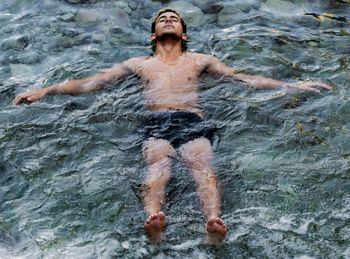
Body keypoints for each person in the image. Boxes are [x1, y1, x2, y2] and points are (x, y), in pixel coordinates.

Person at [14, 8, 332, 242]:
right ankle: (154, 221)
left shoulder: (200, 60)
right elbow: (94, 82)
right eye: (162, 18)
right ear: (153, 35)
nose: (168, 18)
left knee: (202, 165)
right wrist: (47, 90)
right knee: (158, 167)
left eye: (174, 18)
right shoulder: (139, 64)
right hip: (155, 123)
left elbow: (242, 79)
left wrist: (291, 86)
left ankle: (212, 221)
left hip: (191, 119)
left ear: (184, 34)